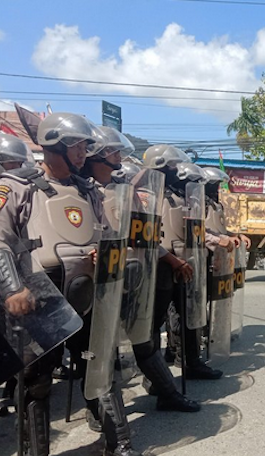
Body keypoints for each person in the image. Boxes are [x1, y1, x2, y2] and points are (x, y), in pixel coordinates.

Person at [0, 113, 148, 456]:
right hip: (41, 296)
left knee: (98, 365)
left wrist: (103, 253)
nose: (83, 153)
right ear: (54, 142)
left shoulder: (88, 190)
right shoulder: (14, 187)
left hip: (87, 294)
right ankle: (35, 454)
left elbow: (107, 234)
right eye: (77, 145)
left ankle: (118, 441)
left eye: (84, 146)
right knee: (39, 378)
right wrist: (12, 287)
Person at [83, 128, 200, 412]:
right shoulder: (86, 190)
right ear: (97, 154)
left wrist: (170, 259)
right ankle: (100, 413)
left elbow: (144, 238)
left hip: (132, 274)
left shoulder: (125, 191)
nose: (118, 158)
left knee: (143, 338)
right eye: (113, 152)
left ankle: (167, 394)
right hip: (96, 280)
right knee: (99, 349)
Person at [143, 145, 222, 380]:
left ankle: (192, 362)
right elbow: (145, 237)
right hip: (161, 265)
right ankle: (155, 376)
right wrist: (173, 260)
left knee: (190, 314)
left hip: (184, 262)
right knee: (155, 323)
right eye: (172, 167)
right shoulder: (149, 196)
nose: (176, 172)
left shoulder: (177, 197)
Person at [0, 133, 32, 418]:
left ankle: (9, 385)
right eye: (11, 162)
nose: (16, 167)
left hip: (2, 271)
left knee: (6, 336)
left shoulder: (11, 189)